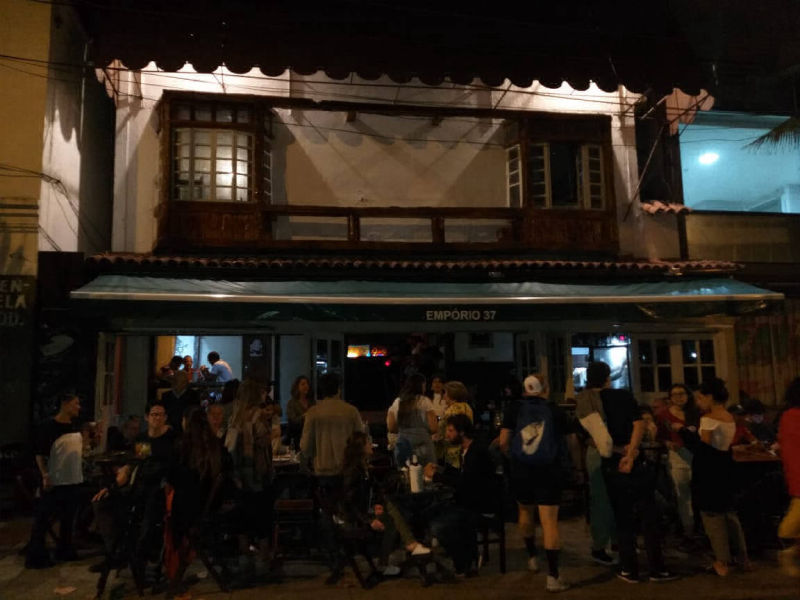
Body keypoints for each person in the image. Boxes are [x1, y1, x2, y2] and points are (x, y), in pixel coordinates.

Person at [576, 361, 678, 583]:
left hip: (608, 459)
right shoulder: (623, 396)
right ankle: (657, 568)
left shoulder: (584, 403)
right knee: (647, 511)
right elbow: (638, 425)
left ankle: (626, 565)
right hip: (633, 458)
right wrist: (631, 452)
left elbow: (589, 438)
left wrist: (617, 451)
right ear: (607, 378)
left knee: (616, 510)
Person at [495, 374, 572, 592]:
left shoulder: (514, 409)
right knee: (549, 522)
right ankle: (553, 576)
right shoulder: (555, 411)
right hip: (549, 470)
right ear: (544, 388)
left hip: (522, 470)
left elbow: (503, 441)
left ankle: (531, 557)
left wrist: (513, 458)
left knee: (525, 512)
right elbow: (569, 440)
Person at [340, 431, 429, 575]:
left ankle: (401, 550)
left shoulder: (364, 468)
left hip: (365, 512)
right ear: (361, 448)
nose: (371, 445)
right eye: (368, 443)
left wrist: (377, 504)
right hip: (355, 519)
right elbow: (350, 503)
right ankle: (409, 544)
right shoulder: (354, 472)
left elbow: (374, 491)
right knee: (391, 514)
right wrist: (369, 520)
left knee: (390, 508)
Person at [167, 409, 231, 591]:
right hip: (210, 505)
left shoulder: (183, 447)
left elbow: (172, 477)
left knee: (162, 511)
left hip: (189, 510)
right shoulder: (216, 445)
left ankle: (171, 566)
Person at [424, 414, 494, 576]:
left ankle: (464, 562)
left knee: (439, 526)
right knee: (430, 512)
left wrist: (436, 477)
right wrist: (443, 469)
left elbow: (465, 483)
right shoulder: (467, 450)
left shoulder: (476, 452)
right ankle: (466, 558)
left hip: (479, 505)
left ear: (461, 432)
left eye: (450, 431)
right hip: (469, 501)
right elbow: (464, 476)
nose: (447, 434)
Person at [695, 378, 750, 576]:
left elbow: (705, 446)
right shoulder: (729, 416)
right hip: (726, 465)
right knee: (729, 514)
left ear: (710, 397)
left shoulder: (708, 419)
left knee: (712, 517)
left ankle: (721, 561)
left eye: (700, 398)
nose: (698, 402)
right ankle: (742, 557)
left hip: (710, 470)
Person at [26, 393, 84, 568]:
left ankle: (65, 548)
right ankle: (36, 555)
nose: (79, 407)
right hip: (55, 478)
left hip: (72, 476)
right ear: (65, 404)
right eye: (76, 403)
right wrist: (45, 474)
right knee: (44, 516)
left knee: (68, 516)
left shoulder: (74, 426)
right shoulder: (48, 427)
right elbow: (40, 453)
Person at [225, 379, 275, 577]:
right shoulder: (258, 416)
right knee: (263, 516)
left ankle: (245, 556)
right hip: (257, 474)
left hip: (239, 476)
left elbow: (229, 448)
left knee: (242, 517)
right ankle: (263, 558)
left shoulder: (235, 417)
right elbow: (264, 443)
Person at [300, 372, 363, 485]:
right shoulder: (351, 411)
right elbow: (361, 441)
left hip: (322, 471)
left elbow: (305, 448)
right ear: (338, 389)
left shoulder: (313, 413)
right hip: (347, 471)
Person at [657, 383, 700, 538]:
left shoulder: (696, 413)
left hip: (696, 455)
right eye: (675, 394)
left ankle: (700, 528)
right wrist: (667, 443)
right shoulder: (663, 415)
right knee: (682, 494)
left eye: (682, 393)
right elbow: (660, 436)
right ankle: (688, 529)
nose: (679, 397)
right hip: (677, 455)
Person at [386, 374, 437, 466]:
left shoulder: (397, 402)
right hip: (423, 447)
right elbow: (433, 428)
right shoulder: (425, 402)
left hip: (403, 446)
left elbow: (391, 428)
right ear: (421, 386)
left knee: (405, 472)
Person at [777, 377, 800, 577]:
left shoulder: (788, 416)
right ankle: (790, 552)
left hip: (795, 475)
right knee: (789, 526)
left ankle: (791, 552)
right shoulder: (793, 417)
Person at [438, 381, 474, 468]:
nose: (443, 396)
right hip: (465, 449)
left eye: (445, 393)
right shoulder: (467, 407)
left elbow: (443, 432)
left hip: (453, 452)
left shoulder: (451, 410)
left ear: (452, 395)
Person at [286, 375, 313, 448]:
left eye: (307, 384)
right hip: (297, 438)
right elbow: (293, 421)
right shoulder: (292, 403)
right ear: (297, 387)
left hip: (311, 437)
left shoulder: (311, 402)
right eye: (303, 384)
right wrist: (305, 416)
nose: (306, 386)